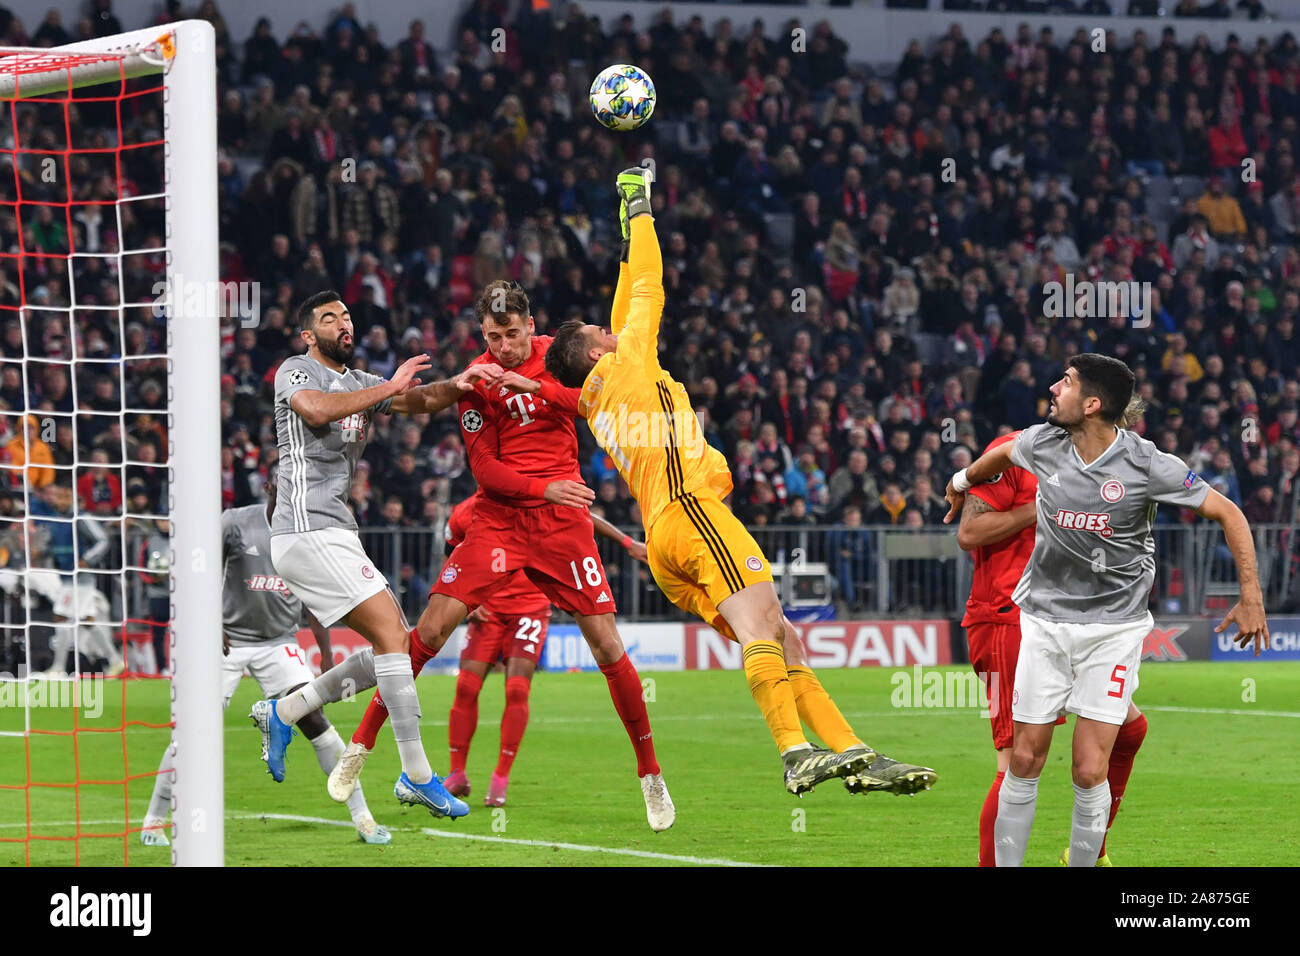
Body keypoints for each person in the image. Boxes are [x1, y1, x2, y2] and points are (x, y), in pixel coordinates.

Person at [542, 168, 936, 797]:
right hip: (692, 518)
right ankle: (794, 751)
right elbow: (646, 283)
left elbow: (625, 295)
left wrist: (622, 227)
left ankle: (855, 752)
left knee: (783, 636)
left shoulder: (603, 395)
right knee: (764, 629)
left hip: (667, 540)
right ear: (597, 354)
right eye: (601, 334)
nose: (613, 330)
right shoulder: (628, 364)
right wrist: (641, 206)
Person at [270, 282, 674, 832]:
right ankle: (360, 749)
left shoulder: (562, 354)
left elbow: (595, 404)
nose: (502, 347)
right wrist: (536, 478)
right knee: (426, 632)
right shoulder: (478, 378)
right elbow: (484, 472)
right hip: (501, 519)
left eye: (510, 335)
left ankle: (650, 776)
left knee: (606, 645)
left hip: (562, 526)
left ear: (531, 326)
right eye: (492, 336)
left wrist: (536, 389)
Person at [944, 354, 1269, 867]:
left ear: (1091, 404)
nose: (1053, 386)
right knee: (1024, 760)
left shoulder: (1146, 464)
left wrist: (1251, 595)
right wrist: (962, 481)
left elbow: (1228, 511)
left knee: (1089, 769)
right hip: (1043, 623)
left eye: (1066, 383)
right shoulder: (1042, 443)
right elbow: (1001, 456)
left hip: (1113, 631)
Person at [250, 289, 491, 820]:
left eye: (347, 316)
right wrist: (388, 386)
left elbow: (419, 399)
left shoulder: (363, 383)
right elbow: (314, 409)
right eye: (329, 317)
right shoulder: (295, 371)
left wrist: (463, 383)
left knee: (395, 647)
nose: (343, 323)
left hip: (334, 529)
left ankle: (286, 708)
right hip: (304, 526)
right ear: (309, 335)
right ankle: (417, 775)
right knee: (393, 639)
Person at [331, 490, 649, 809]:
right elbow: (452, 557)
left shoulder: (544, 495)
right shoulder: (467, 513)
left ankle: (501, 778)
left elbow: (582, 516)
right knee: (466, 688)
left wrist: (627, 543)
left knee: (516, 690)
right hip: (489, 609)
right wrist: (465, 602)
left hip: (529, 608)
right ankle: (457, 773)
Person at [142, 467, 391, 845]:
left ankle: (363, 819)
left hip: (279, 642)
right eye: (284, 487)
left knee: (314, 718)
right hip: (227, 642)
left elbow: (313, 597)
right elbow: (199, 569)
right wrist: (210, 620)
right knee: (194, 731)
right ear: (270, 487)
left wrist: (324, 652)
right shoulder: (236, 523)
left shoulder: (307, 533)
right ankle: (154, 821)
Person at [956, 426, 1148, 867]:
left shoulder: (1107, 463)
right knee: (1016, 762)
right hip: (1007, 616)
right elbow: (971, 530)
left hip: (1070, 621)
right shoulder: (1014, 450)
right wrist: (1045, 508)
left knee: (1130, 731)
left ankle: (1088, 852)